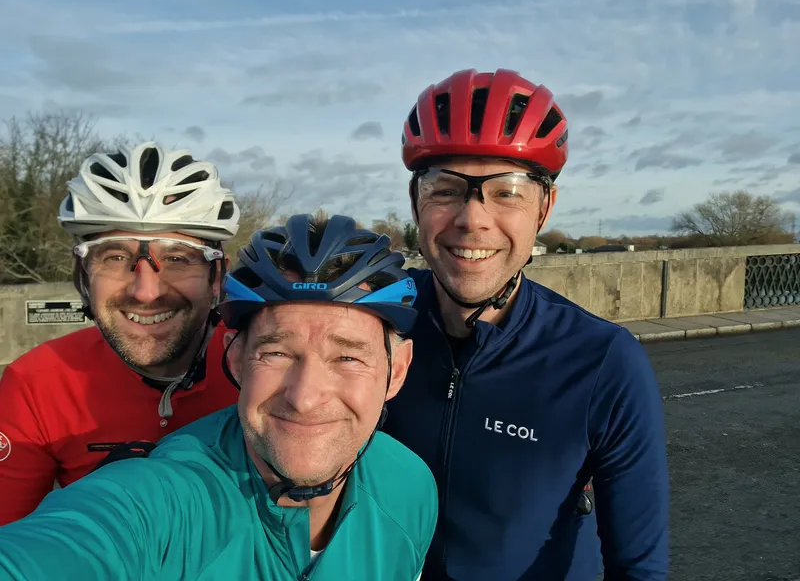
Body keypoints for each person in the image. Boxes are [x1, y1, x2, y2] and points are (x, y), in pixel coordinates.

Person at [0, 213, 438, 581]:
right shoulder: (169, 499)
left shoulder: (410, 486)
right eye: (277, 353)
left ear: (396, 371)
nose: (305, 397)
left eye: (347, 357)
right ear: (235, 360)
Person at [381, 68, 670, 580]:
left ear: (544, 207)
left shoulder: (603, 361)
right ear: (415, 204)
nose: (473, 219)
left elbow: (639, 568)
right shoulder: (375, 324)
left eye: (507, 191)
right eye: (445, 189)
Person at [0, 141, 242, 525]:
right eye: (114, 257)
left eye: (177, 258)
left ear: (218, 278)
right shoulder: (35, 383)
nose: (146, 291)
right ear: (82, 275)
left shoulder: (270, 366)